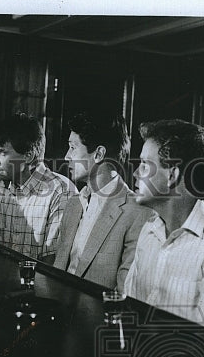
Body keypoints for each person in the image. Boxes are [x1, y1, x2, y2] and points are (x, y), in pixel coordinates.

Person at [123, 119, 204, 326]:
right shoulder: (149, 230)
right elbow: (129, 309)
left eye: (145, 164)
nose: (136, 173)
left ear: (172, 175)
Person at [54, 112, 151, 289]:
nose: (67, 156)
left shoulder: (138, 213)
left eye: (73, 147)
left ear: (99, 153)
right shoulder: (73, 204)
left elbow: (124, 294)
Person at [0, 112, 76, 260]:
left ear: (28, 156)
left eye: (1, 153)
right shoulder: (3, 188)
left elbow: (53, 267)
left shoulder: (61, 192)